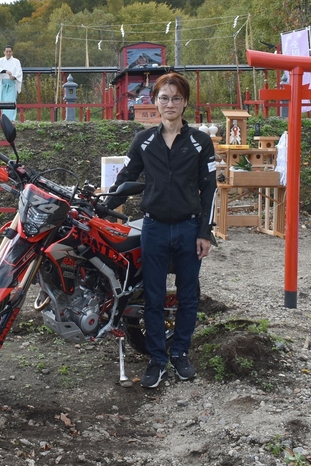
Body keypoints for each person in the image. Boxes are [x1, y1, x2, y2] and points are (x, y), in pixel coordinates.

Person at [107, 72, 217, 389]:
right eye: (164, 98)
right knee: (153, 297)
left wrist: (204, 232)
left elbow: (209, 189)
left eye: (176, 98)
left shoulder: (200, 142)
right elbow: (126, 179)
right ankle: (157, 359)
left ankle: (180, 352)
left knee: (187, 296)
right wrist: (105, 204)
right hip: (152, 228)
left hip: (188, 229)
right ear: (155, 101)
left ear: (185, 103)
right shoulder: (143, 141)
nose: (170, 104)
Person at [0, 45, 22, 120]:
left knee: (11, 101)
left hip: (12, 83)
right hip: (3, 84)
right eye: (7, 51)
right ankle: (4, 119)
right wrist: (5, 71)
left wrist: (14, 77)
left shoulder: (16, 61)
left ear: (12, 52)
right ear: (4, 52)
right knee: (3, 101)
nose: (8, 53)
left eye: (10, 51)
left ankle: (11, 119)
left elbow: (19, 72)